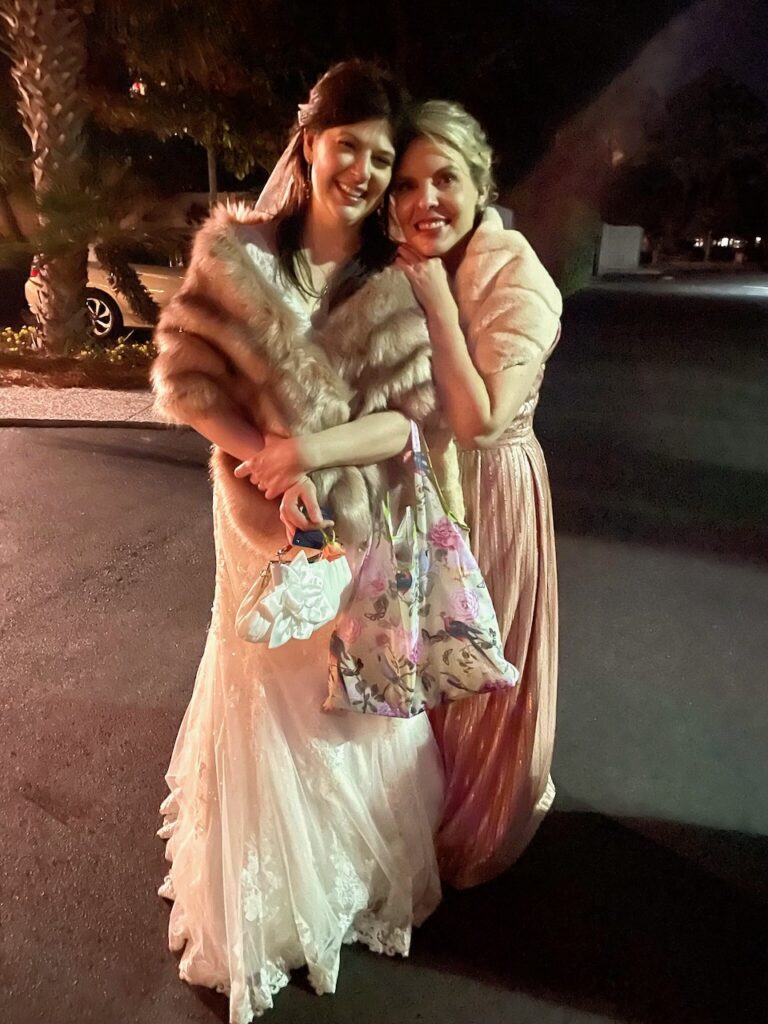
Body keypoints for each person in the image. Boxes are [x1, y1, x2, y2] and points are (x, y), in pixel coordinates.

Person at [150, 62, 457, 1021]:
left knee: (341, 706)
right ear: (309, 143)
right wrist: (268, 469)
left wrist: (309, 453)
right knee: (264, 696)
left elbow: (406, 422)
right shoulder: (236, 254)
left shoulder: (398, 288)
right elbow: (185, 381)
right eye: (347, 147)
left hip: (352, 524)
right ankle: (268, 902)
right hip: (256, 523)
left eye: (379, 155)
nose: (362, 171)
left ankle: (340, 879)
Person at [391, 100, 563, 889]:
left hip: (492, 491)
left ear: (479, 181)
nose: (427, 199)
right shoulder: (418, 262)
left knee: (481, 659)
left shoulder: (513, 275)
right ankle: (415, 808)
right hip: (423, 490)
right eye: (409, 183)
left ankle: (478, 824)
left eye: (445, 179)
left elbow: (483, 420)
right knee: (421, 660)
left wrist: (433, 303)